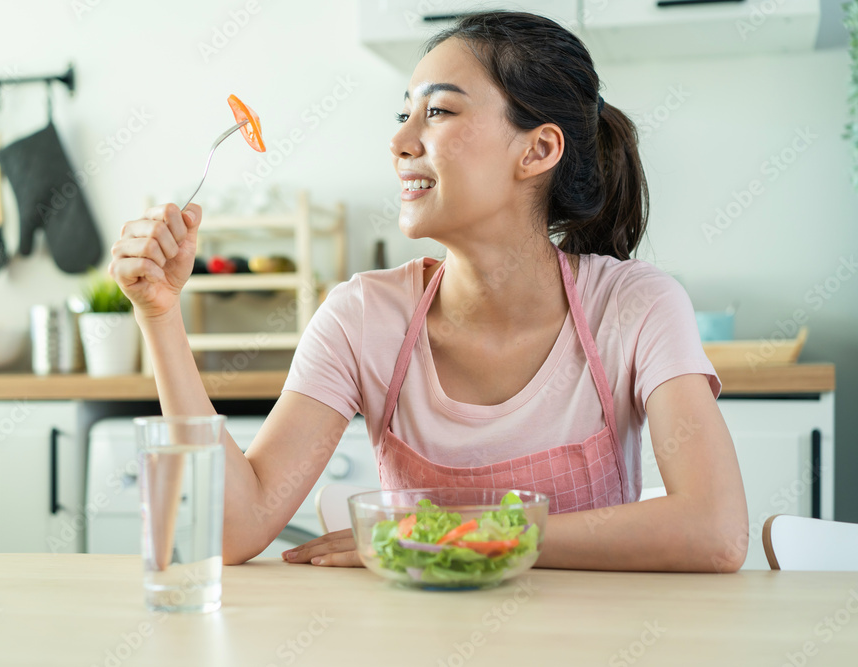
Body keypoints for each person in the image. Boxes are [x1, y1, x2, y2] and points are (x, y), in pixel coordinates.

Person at [109, 11, 749, 573]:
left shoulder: (634, 307)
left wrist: (445, 533)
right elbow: (235, 529)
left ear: (538, 149)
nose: (398, 141)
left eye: (437, 111)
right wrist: (160, 315)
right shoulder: (363, 317)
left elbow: (715, 532)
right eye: (403, 113)